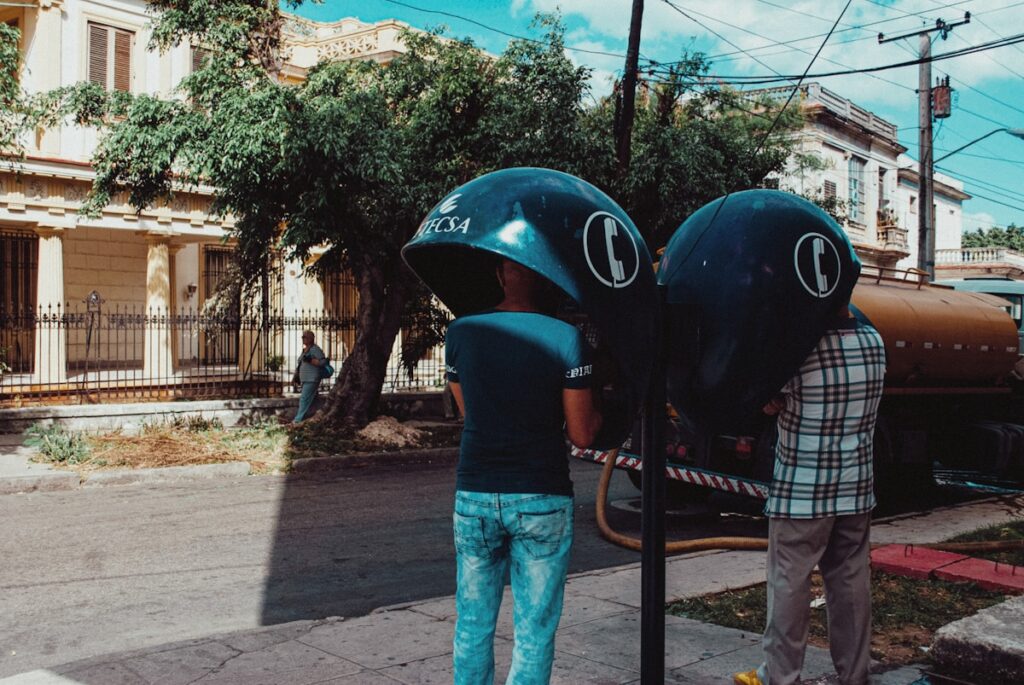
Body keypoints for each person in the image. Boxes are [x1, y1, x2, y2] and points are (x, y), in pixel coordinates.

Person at [445, 258, 602, 685]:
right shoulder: (567, 338)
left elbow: (469, 412)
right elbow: (583, 434)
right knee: (534, 631)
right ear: (549, 279)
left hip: (475, 492)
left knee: (472, 625)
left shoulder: (460, 333)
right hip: (541, 493)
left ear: (498, 274)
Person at [734, 304, 887, 685]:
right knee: (851, 582)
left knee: (790, 583)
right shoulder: (873, 342)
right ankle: (854, 675)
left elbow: (762, 397)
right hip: (855, 486)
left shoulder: (798, 347)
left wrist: (777, 401)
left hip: (802, 491)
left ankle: (780, 677)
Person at [292, 330, 326, 423]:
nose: (303, 339)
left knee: (304, 399)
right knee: (311, 399)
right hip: (305, 379)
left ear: (311, 338)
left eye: (305, 337)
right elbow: (300, 363)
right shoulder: (305, 350)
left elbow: (323, 362)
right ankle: (314, 416)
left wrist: (311, 360)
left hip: (312, 378)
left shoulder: (315, 349)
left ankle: (298, 419)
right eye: (302, 337)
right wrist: (296, 375)